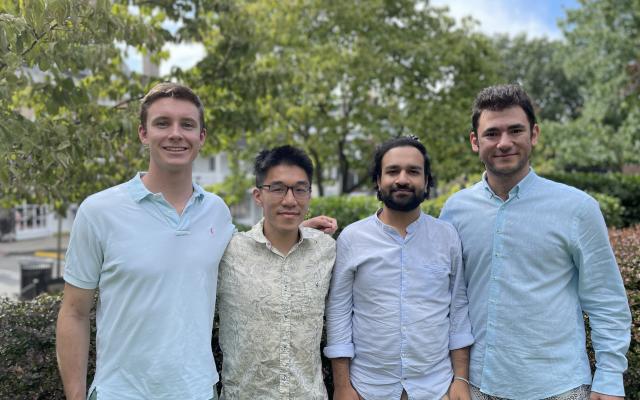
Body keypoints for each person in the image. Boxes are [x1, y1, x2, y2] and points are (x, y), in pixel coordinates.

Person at [55, 83, 336, 400]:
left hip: (199, 391)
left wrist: (295, 228)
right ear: (143, 133)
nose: (176, 133)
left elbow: (249, 250)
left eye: (187, 124)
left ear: (201, 137)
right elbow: (74, 313)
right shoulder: (99, 211)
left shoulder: (215, 211)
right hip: (120, 393)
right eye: (163, 123)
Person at [440, 84, 631, 400]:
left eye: (515, 130)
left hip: (560, 386)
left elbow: (605, 298)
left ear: (534, 134)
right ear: (475, 141)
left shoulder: (578, 209)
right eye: (492, 133)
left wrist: (609, 377)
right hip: (476, 386)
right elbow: (447, 297)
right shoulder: (455, 210)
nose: (504, 143)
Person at [324, 136, 474, 400]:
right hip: (367, 388)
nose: (402, 179)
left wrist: (460, 379)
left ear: (426, 181)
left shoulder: (447, 236)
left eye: (413, 171)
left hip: (436, 388)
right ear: (378, 180)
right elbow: (338, 312)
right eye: (392, 171)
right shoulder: (352, 238)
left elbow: (458, 310)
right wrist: (343, 386)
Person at [216, 145, 336, 399]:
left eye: (300, 189)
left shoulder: (326, 250)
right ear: (258, 195)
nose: (290, 200)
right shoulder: (228, 252)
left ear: (309, 194)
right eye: (278, 189)